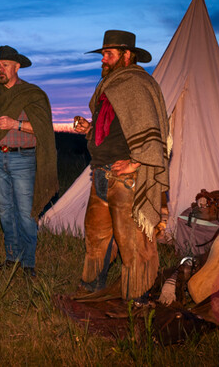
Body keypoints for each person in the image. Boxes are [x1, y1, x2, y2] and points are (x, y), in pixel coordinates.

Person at [73, 30, 169, 300]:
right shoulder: (109, 86)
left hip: (125, 179)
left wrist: (136, 162)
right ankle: (93, 287)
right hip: (101, 173)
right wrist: (90, 129)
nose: (103, 59)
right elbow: (113, 129)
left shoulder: (137, 84)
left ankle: (138, 296)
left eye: (108, 54)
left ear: (127, 55)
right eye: (102, 54)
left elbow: (152, 129)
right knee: (96, 237)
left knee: (132, 242)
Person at [0, 45, 58, 277]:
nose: (0, 69)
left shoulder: (32, 95)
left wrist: (15, 124)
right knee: (5, 211)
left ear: (17, 67)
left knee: (26, 213)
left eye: (5, 65)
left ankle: (28, 264)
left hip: (23, 158)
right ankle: (12, 258)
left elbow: (43, 129)